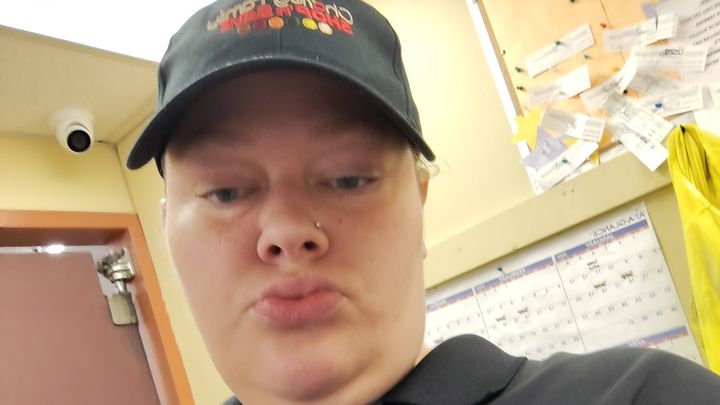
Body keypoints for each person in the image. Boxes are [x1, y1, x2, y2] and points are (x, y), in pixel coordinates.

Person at [126, 0, 720, 403]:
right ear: (168, 231)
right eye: (226, 191)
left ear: (419, 200)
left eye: (348, 178)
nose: (285, 231)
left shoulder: (646, 395)